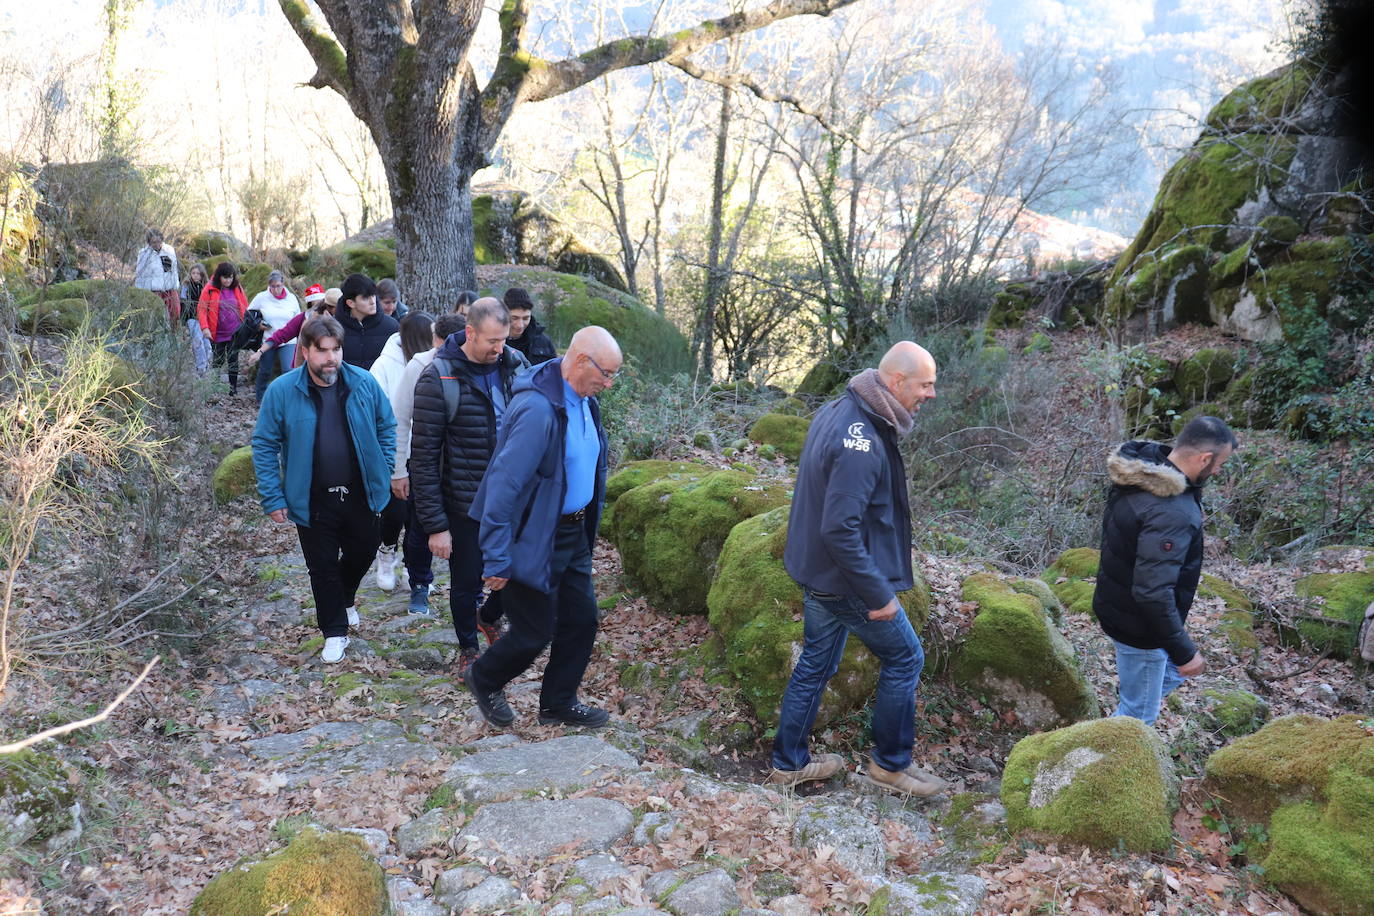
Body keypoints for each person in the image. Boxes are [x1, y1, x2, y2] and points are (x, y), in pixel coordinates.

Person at [768, 342, 946, 796]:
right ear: (895, 382)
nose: (930, 394)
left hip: (818, 573)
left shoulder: (843, 406)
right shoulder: (861, 441)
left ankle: (789, 763)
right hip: (845, 581)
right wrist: (878, 595)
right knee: (906, 657)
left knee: (816, 663)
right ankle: (890, 767)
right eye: (924, 385)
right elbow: (840, 529)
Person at [462, 326, 619, 729]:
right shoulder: (538, 409)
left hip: (571, 533)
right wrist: (496, 556)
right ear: (582, 361)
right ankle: (483, 677)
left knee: (581, 620)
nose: (609, 383)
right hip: (533, 536)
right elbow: (502, 485)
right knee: (534, 632)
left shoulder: (584, 399)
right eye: (606, 373)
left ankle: (558, 703)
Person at [251, 315, 397, 664]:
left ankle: (346, 597)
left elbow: (387, 425)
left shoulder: (363, 383)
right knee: (321, 566)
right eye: (322, 351)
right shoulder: (283, 391)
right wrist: (272, 496)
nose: (331, 358)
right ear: (305, 351)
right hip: (312, 496)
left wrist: (385, 466)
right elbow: (264, 443)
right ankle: (334, 630)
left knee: (363, 551)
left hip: (362, 491)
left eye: (336, 350)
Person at [411, 299, 531, 673]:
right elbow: (424, 457)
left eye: (504, 339)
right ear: (470, 332)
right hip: (465, 503)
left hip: (512, 499)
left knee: (518, 572)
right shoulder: (438, 378)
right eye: (492, 341)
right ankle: (469, 649)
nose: (499, 349)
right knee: (466, 583)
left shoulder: (516, 367)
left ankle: (489, 616)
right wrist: (435, 526)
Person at [1093, 417, 1237, 725]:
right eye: (1220, 464)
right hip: (1139, 628)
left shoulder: (1141, 471)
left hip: (1119, 607)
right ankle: (1094, 762)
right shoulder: (1170, 510)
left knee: (1161, 680)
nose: (1219, 471)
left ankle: (1130, 705)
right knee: (1137, 717)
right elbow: (1152, 592)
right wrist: (1184, 651)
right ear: (1204, 458)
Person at [390, 313, 466, 616]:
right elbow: (399, 418)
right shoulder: (420, 366)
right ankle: (419, 584)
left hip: (464, 464)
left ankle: (468, 592)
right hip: (422, 460)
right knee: (420, 528)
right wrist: (398, 470)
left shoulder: (477, 365)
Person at [367, 312, 436, 593]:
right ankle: (386, 553)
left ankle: (414, 567)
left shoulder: (432, 362)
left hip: (425, 450)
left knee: (419, 516)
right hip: (393, 449)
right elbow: (374, 406)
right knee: (395, 512)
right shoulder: (384, 365)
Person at [252, 285, 337, 370]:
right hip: (307, 369)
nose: (317, 305)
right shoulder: (303, 318)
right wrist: (260, 352)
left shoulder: (341, 320)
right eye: (315, 302)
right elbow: (280, 335)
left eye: (320, 301)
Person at [249, 270, 302, 404]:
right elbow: (249, 314)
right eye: (272, 286)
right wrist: (258, 324)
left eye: (278, 286)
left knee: (288, 369)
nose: (276, 289)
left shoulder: (291, 299)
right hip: (269, 339)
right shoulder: (262, 297)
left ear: (283, 284)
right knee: (265, 370)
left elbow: (298, 318)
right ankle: (260, 398)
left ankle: (288, 399)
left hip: (289, 340)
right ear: (269, 286)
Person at [197, 262, 249, 395]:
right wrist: (205, 328)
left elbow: (244, 305)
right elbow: (202, 309)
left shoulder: (237, 287)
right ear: (219, 276)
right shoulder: (210, 288)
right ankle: (214, 388)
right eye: (225, 277)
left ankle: (233, 389)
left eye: (231, 277)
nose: (228, 280)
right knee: (218, 361)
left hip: (234, 332)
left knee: (233, 360)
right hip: (217, 332)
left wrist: (245, 325)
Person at [336, 273, 398, 369]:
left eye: (373, 295)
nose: (373, 302)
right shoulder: (333, 328)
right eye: (365, 298)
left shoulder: (392, 326)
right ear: (350, 303)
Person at [134, 229, 180, 325]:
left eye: (159, 241)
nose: (157, 244)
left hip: (170, 289)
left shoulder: (169, 250)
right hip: (155, 291)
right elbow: (140, 274)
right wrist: (140, 292)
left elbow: (174, 270)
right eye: (154, 242)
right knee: (159, 317)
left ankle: (175, 336)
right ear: (149, 242)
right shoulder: (144, 253)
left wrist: (175, 286)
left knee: (175, 314)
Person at [504, 288, 557, 365]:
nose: (520, 325)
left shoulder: (544, 342)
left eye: (526, 318)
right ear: (503, 314)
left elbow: (554, 372)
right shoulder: (493, 340)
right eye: (514, 318)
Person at [180, 262, 210, 375]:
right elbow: (183, 303)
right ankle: (201, 368)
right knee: (198, 342)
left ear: (202, 275)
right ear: (190, 274)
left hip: (204, 319)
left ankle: (207, 366)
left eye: (198, 273)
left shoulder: (206, 287)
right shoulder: (186, 286)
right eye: (193, 273)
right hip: (191, 318)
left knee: (207, 344)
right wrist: (183, 322)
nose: (196, 275)